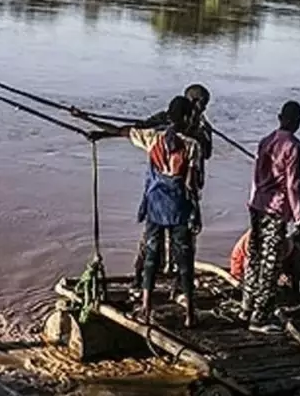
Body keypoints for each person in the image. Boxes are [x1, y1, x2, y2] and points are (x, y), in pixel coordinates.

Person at [89, 96, 203, 327]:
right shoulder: (193, 145)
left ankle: (146, 309)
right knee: (184, 260)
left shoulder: (153, 138)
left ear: (169, 116)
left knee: (151, 257)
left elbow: (122, 131)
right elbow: (192, 184)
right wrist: (195, 209)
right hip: (179, 209)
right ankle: (190, 315)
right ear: (189, 118)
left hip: (155, 207)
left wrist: (96, 130)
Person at [128, 84, 214, 287]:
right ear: (192, 102)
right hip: (162, 192)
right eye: (201, 103)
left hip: (185, 192)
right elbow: (141, 129)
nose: (203, 109)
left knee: (183, 244)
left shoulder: (202, 128)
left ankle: (179, 284)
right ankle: (139, 278)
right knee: (151, 242)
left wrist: (193, 132)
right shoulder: (165, 119)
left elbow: (207, 152)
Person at [241, 100, 300, 330]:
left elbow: (256, 177)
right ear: (297, 122)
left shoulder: (265, 141)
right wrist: (299, 216)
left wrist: (252, 201)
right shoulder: (293, 147)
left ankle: (246, 306)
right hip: (275, 209)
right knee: (271, 263)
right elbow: (293, 185)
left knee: (255, 256)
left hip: (257, 204)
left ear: (280, 117)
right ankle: (260, 318)